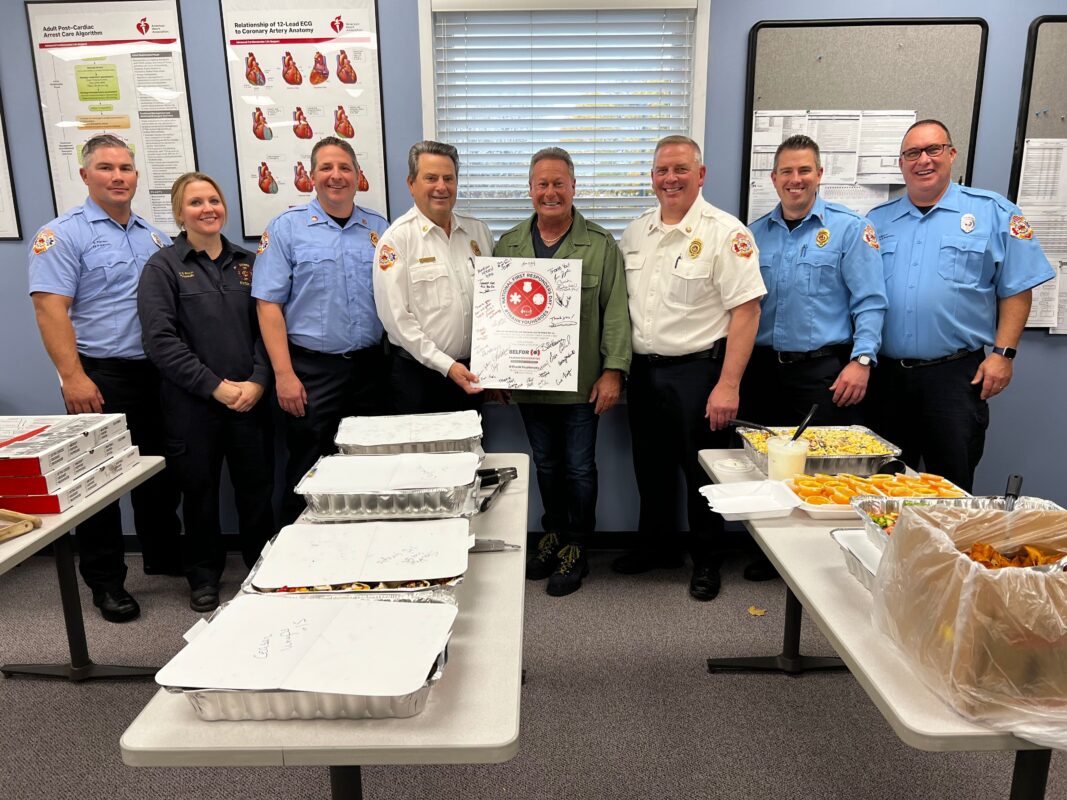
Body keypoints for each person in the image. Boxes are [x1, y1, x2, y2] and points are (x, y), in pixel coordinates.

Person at [28, 133, 181, 623]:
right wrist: (71, 377)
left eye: (126, 168)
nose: (118, 176)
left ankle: (161, 554)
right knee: (98, 485)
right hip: (99, 374)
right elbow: (50, 308)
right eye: (106, 168)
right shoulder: (63, 234)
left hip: (154, 373)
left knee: (159, 471)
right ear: (85, 175)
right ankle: (106, 582)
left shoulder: (152, 236)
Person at [866, 120, 1054, 492]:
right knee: (880, 486)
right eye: (912, 153)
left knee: (950, 487)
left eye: (933, 149)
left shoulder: (993, 212)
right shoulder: (876, 221)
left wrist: (1003, 354)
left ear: (952, 154)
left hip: (954, 378)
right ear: (901, 163)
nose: (923, 160)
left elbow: (1017, 288)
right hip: (885, 379)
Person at [615, 135, 765, 601]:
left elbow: (747, 310)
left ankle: (706, 560)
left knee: (702, 472)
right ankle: (656, 547)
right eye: (662, 171)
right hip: (644, 371)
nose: (670, 178)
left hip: (699, 374)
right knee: (650, 466)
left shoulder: (726, 233)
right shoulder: (637, 232)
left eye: (680, 169)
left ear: (701, 175)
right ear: (652, 178)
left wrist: (728, 385)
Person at [742, 135, 887, 581]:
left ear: (820, 175)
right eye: (786, 171)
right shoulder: (753, 233)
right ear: (773, 179)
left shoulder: (848, 228)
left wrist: (861, 360)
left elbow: (871, 301)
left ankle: (823, 562)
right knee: (766, 466)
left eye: (804, 170)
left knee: (823, 467)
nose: (795, 179)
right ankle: (772, 557)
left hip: (823, 369)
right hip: (764, 368)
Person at [494, 147, 631, 597]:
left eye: (558, 183)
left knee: (578, 468)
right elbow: (496, 316)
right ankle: (551, 533)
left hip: (581, 387)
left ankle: (576, 545)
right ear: (530, 189)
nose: (550, 192)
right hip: (530, 385)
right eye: (541, 184)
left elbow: (615, 313)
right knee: (547, 466)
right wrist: (495, 370)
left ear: (573, 187)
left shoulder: (601, 244)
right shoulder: (508, 244)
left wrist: (613, 372)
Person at [138, 172, 275, 613]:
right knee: (199, 494)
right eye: (195, 202)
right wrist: (215, 388)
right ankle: (203, 576)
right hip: (192, 405)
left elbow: (268, 331)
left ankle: (261, 567)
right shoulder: (161, 267)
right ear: (180, 213)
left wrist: (257, 380)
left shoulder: (249, 263)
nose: (207, 209)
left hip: (250, 401)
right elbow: (161, 342)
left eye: (214, 200)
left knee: (256, 491)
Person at [253, 136, 389, 525]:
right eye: (326, 168)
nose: (336, 176)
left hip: (369, 369)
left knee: (370, 465)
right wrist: (284, 375)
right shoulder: (286, 228)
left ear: (358, 176)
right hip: (310, 371)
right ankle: (292, 562)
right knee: (307, 470)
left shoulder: (378, 228)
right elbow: (268, 305)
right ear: (311, 176)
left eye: (345, 168)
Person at [373, 141, 494, 413]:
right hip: (419, 378)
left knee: (469, 453)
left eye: (448, 178)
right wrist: (446, 365)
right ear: (411, 183)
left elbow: (494, 305)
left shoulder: (479, 233)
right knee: (423, 455)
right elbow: (396, 320)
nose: (441, 186)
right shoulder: (396, 240)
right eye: (431, 178)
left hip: (472, 374)